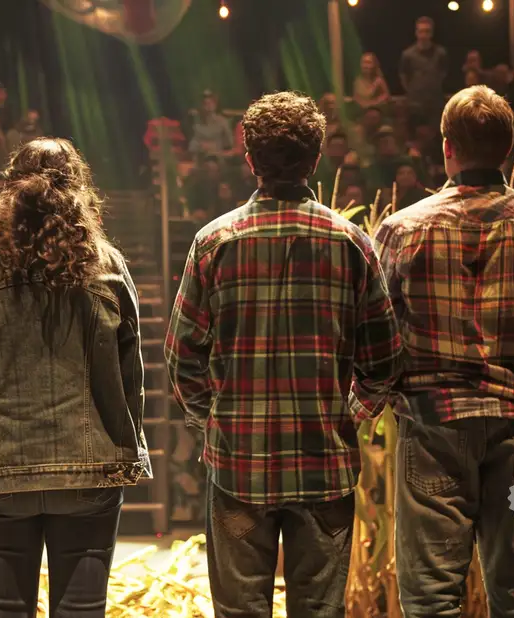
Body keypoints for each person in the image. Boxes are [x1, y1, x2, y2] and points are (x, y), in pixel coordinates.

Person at [165, 91, 402, 618]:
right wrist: (349, 416)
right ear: (317, 159)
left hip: (238, 467)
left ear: (248, 159)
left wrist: (215, 421)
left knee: (239, 611)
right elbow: (385, 361)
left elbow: (182, 357)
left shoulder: (215, 241)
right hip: (324, 464)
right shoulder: (351, 243)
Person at [373, 85, 514, 618]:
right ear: (509, 148)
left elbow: (378, 337)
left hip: (432, 429)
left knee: (432, 596)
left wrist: (394, 400)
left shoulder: (401, 230)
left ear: (447, 147)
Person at [0, 137, 151, 617]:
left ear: (10, 190)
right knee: (81, 611)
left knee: (3, 609)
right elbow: (130, 375)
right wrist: (123, 448)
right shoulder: (107, 268)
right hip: (90, 469)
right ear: (79, 187)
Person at [400, 16, 448, 128]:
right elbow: (403, 76)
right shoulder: (408, 55)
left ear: (432, 33)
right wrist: (414, 91)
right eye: (421, 31)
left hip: (435, 104)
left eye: (427, 31)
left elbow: (443, 73)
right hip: (414, 104)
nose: (424, 35)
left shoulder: (440, 53)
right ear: (416, 33)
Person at [188, 90, 234, 161]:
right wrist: (201, 145)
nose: (208, 106)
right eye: (205, 104)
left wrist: (216, 146)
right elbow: (192, 145)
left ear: (215, 105)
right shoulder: (197, 124)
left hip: (219, 156)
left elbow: (229, 143)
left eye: (210, 103)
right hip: (202, 157)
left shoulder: (223, 122)